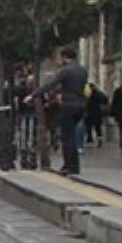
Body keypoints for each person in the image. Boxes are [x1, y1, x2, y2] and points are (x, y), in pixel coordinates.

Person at [30, 47, 88, 176]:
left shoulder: (65, 71)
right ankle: (74, 165)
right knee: (72, 134)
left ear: (64, 57)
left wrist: (33, 94)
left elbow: (51, 84)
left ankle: (70, 166)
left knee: (67, 137)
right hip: (81, 105)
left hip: (69, 104)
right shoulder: (82, 70)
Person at [84, 82, 109, 149]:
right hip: (97, 114)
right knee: (98, 128)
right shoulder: (99, 94)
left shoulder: (88, 95)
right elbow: (105, 99)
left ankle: (90, 140)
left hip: (90, 114)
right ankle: (99, 140)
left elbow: (86, 104)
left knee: (89, 128)